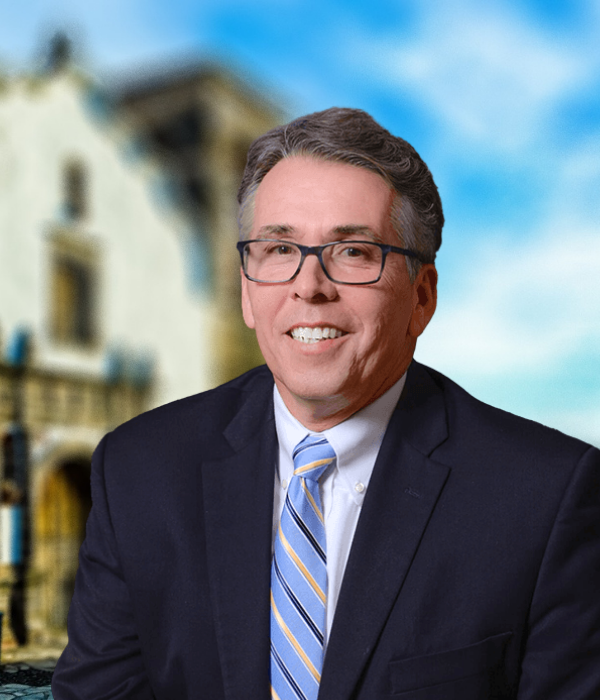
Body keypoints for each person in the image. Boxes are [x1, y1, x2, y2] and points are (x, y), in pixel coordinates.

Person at [52, 108, 600, 699]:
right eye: (279, 249)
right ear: (246, 290)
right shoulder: (139, 469)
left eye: (354, 253)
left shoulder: (548, 498)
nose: (308, 286)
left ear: (421, 297)